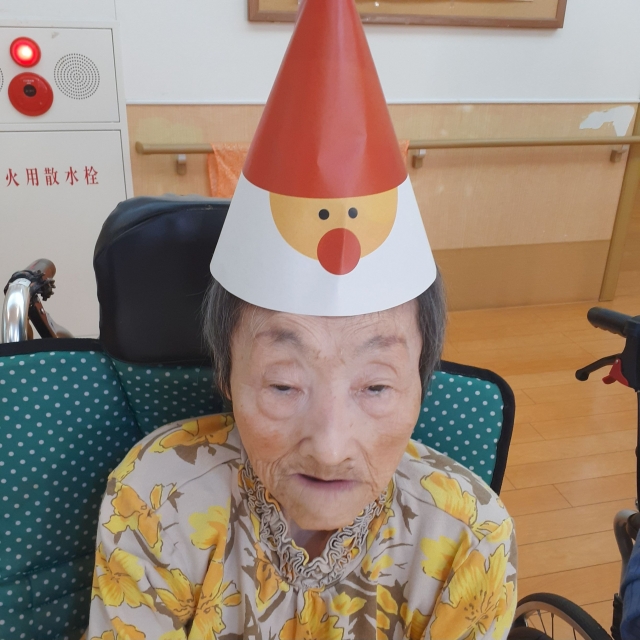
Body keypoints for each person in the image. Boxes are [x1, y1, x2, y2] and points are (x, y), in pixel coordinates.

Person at [86, 0, 516, 638]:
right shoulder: (154, 500)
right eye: (284, 384)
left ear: (423, 382)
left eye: (376, 386)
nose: (331, 446)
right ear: (227, 374)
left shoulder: (469, 536)